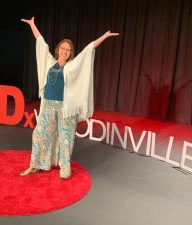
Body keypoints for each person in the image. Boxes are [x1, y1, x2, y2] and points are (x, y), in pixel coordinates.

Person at [20, 17, 119, 179]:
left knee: (65, 138)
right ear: (58, 49)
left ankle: (64, 168)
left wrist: (104, 36)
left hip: (66, 108)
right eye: (63, 48)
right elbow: (40, 42)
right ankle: (36, 164)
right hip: (49, 106)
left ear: (70, 52)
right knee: (39, 134)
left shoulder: (72, 66)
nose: (65, 51)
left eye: (68, 50)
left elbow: (88, 50)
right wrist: (32, 25)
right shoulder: (49, 62)